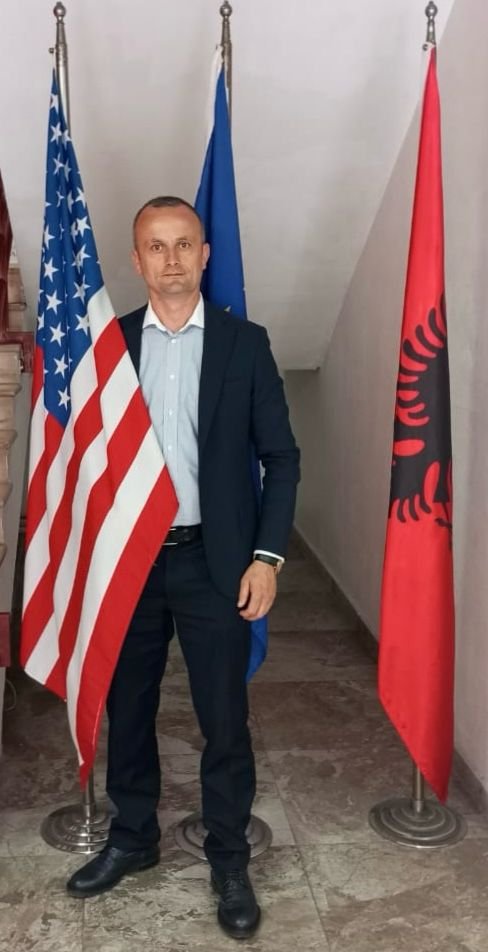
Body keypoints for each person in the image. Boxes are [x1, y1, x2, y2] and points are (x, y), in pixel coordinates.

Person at [66, 196, 300, 939]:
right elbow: (85, 459)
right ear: (136, 260)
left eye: (183, 244)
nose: (171, 259)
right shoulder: (110, 346)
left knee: (223, 719)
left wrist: (267, 557)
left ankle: (229, 858)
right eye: (155, 246)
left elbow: (281, 458)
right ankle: (133, 838)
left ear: (205, 254)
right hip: (130, 564)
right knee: (128, 709)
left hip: (215, 563)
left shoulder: (245, 344)